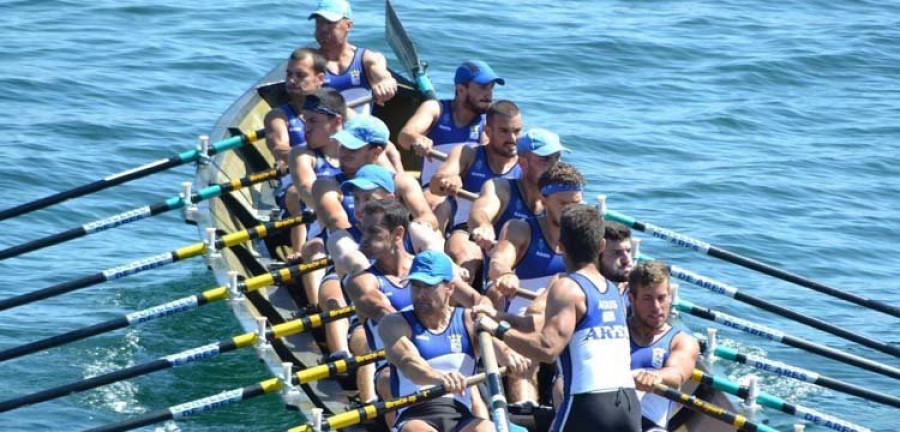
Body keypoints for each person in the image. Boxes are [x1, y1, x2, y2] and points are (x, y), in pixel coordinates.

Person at [478, 204, 641, 432]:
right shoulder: (613, 289)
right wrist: (497, 316)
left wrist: (498, 331)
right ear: (601, 246)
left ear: (561, 246)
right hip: (629, 407)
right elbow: (538, 323)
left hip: (588, 404)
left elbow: (547, 349)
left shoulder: (567, 287)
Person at [379, 250, 530, 432]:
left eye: (428, 286)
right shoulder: (395, 323)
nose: (420, 294)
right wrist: (439, 377)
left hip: (461, 417)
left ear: (450, 288)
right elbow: (409, 363)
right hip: (415, 416)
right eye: (415, 286)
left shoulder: (468, 320)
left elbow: (496, 346)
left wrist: (509, 356)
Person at [483, 161, 584, 406]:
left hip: (570, 321)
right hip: (524, 321)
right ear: (544, 198)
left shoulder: (586, 234)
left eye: (576, 204)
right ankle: (525, 412)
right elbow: (498, 261)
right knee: (524, 362)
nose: (571, 212)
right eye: (564, 204)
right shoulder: (521, 229)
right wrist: (505, 274)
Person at [430, 100, 523, 285]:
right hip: (467, 231)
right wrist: (449, 179)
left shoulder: (526, 163)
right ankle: (454, 312)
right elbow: (436, 183)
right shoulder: (467, 153)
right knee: (467, 263)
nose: (512, 139)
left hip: (510, 237)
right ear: (488, 132)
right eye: (504, 131)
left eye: (517, 131)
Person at [398, 60, 504, 187]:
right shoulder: (435, 108)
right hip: (433, 189)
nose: (489, 95)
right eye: (483, 88)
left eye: (491, 88)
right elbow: (404, 136)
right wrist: (417, 139)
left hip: (465, 192)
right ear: (461, 90)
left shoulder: (486, 121)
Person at [628, 260, 699, 432]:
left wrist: (655, 377)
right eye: (647, 299)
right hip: (605, 415)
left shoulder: (682, 342)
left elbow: (677, 374)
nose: (656, 307)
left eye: (662, 298)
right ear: (632, 299)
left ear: (670, 297)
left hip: (648, 425)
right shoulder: (615, 330)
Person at [468, 128, 566, 251]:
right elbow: (480, 212)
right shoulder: (500, 188)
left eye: (557, 158)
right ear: (522, 162)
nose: (554, 166)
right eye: (545, 159)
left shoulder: (564, 198)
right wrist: (484, 226)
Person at [281, 87, 345, 260]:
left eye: (313, 121)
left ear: (336, 121)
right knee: (315, 251)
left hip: (364, 226)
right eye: (305, 121)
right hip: (323, 233)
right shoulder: (301, 154)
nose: (306, 129)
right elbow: (308, 191)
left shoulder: (358, 149)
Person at [309, 0, 397, 113]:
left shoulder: (366, 59)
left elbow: (386, 79)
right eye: (319, 22)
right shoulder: (309, 62)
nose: (323, 29)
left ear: (348, 26)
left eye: (330, 23)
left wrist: (386, 85)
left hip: (361, 127)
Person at [599, 221, 634, 303]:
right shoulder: (584, 292)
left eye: (628, 251)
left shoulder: (637, 290)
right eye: (617, 253)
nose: (627, 259)